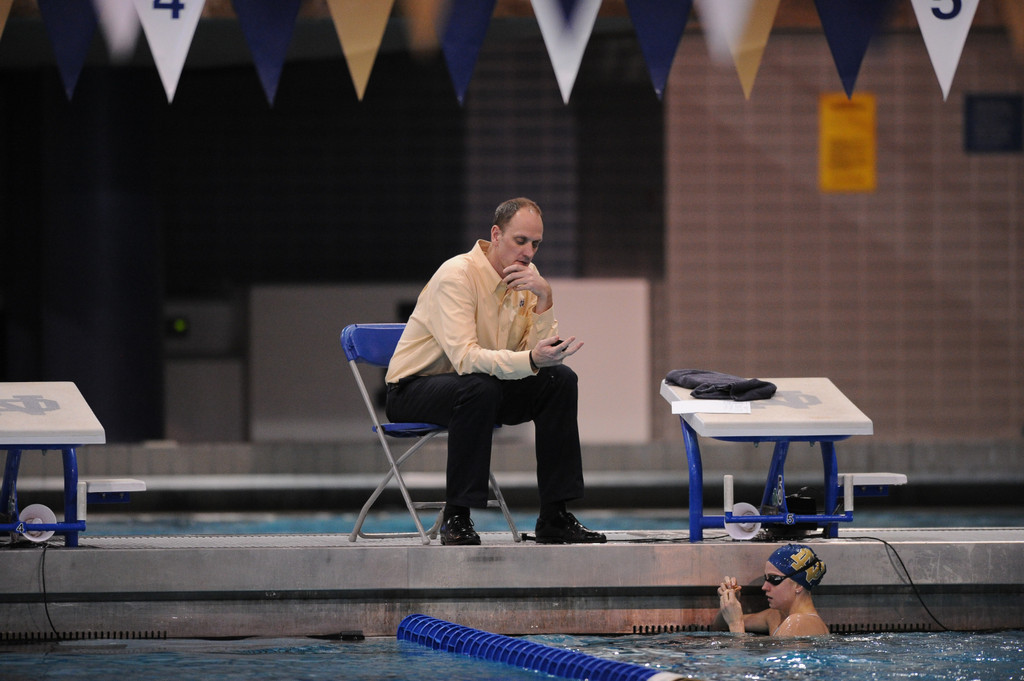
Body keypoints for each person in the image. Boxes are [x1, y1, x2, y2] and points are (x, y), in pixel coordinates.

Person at [384, 197, 606, 547]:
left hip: (479, 388)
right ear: (496, 235)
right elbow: (466, 359)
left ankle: (555, 516)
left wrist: (545, 299)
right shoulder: (457, 276)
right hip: (413, 391)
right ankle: (457, 517)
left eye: (535, 244)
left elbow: (533, 356)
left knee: (559, 381)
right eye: (521, 241)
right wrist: (531, 359)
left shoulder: (525, 283)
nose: (529, 252)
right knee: (478, 387)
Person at [715, 544, 829, 637]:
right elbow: (721, 624)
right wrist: (729, 601)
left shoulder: (799, 623)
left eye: (774, 579)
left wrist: (736, 624)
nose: (764, 587)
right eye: (766, 578)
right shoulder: (775, 616)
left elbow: (745, 664)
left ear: (798, 585)